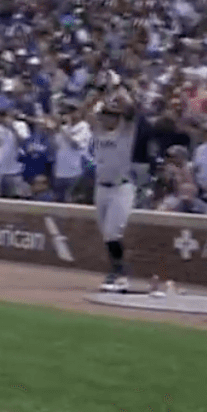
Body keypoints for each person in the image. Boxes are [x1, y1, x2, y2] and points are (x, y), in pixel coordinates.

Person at [88, 84, 140, 293]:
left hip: (122, 188)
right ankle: (116, 270)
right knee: (106, 235)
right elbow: (86, 112)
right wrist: (100, 93)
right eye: (105, 115)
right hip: (101, 188)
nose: (107, 118)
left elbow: (132, 111)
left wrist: (119, 90)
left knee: (112, 232)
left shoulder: (125, 131)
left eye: (111, 115)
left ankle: (119, 273)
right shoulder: (99, 131)